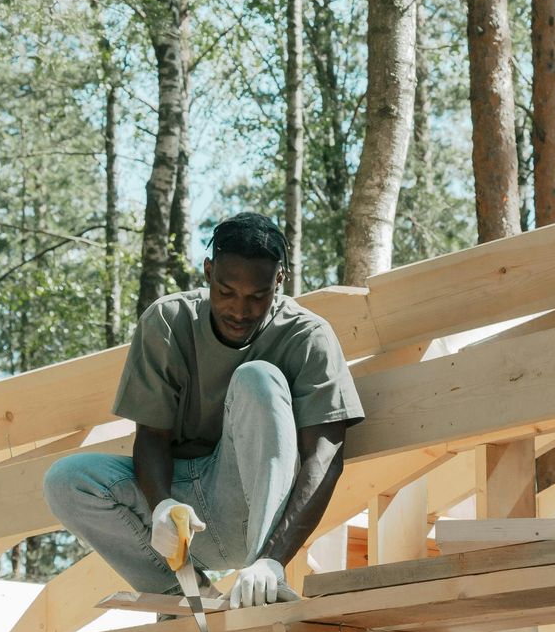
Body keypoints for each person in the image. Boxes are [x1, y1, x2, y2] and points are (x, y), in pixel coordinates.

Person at [43, 211, 364, 610]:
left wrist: (271, 560)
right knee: (66, 480)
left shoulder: (308, 336)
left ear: (279, 280)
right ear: (209, 272)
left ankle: (258, 588)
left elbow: (326, 457)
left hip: (253, 515)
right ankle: (186, 598)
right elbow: (152, 436)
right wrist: (161, 505)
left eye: (257, 296)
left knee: (258, 378)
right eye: (227, 292)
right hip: (184, 518)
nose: (240, 311)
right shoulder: (167, 321)